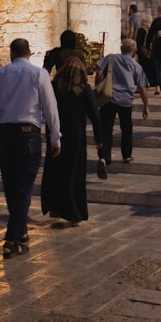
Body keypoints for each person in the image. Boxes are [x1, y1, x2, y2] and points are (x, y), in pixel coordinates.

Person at [0, 39, 61, 259]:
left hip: (6, 133)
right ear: (29, 53)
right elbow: (50, 108)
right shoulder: (39, 74)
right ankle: (11, 239)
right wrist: (55, 138)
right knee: (24, 186)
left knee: (11, 185)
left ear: (11, 54)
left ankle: (21, 230)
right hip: (28, 134)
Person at [41, 57, 100, 227]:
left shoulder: (53, 87)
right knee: (73, 174)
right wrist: (100, 139)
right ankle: (74, 213)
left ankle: (56, 207)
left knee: (56, 171)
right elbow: (95, 115)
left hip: (55, 132)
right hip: (75, 135)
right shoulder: (83, 89)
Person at [93, 39, 150, 176]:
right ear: (134, 51)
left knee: (106, 128)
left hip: (108, 98)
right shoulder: (135, 65)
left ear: (121, 48)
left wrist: (98, 88)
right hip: (125, 100)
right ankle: (126, 155)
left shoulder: (110, 58)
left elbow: (99, 72)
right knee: (126, 128)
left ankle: (104, 157)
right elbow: (142, 87)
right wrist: (145, 106)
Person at [144, 5, 161, 96]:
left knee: (159, 70)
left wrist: (147, 48)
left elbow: (150, 35)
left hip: (158, 48)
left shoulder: (156, 21)